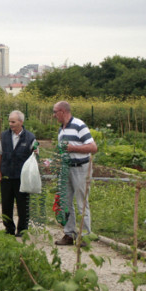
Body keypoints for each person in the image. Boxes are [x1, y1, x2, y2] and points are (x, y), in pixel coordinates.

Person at [52, 101, 97, 246]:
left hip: (80, 168)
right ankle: (69, 234)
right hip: (66, 168)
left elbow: (93, 147)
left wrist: (72, 148)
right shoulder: (61, 129)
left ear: (63, 111)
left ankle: (85, 236)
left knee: (81, 202)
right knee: (65, 202)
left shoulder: (79, 125)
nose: (54, 115)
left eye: (55, 112)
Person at [0, 110, 38, 237]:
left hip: (22, 177)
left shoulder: (30, 137)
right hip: (6, 174)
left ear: (21, 122)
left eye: (13, 122)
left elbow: (35, 156)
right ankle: (9, 229)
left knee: (23, 204)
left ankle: (22, 230)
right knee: (6, 203)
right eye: (9, 121)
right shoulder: (4, 136)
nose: (10, 124)